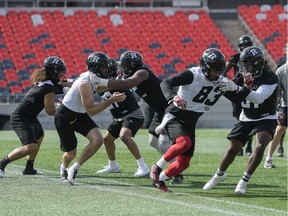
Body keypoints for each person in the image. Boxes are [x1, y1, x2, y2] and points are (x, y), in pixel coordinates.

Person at [149, 48, 252, 192]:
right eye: (214, 70)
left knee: (183, 164)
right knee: (183, 143)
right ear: (205, 67)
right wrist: (174, 97)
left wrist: (247, 87)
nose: (217, 74)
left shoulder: (222, 81)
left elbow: (237, 97)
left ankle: (159, 180)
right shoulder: (192, 75)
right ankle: (157, 167)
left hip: (191, 121)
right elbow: (166, 83)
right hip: (176, 114)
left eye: (219, 71)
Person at [93, 50, 183, 184]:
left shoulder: (142, 72)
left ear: (130, 65)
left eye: (124, 65)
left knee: (163, 145)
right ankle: (175, 164)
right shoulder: (131, 74)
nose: (122, 68)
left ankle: (177, 171)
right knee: (153, 141)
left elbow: (126, 84)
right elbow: (114, 84)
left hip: (169, 110)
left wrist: (99, 80)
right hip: (160, 111)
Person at [203, 46, 278, 194]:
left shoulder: (270, 77)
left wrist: (243, 88)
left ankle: (243, 181)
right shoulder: (239, 76)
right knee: (233, 148)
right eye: (243, 65)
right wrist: (223, 89)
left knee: (260, 145)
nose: (244, 68)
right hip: (246, 117)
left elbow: (258, 97)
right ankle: (219, 175)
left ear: (257, 64)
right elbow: (236, 96)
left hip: (266, 116)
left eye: (247, 64)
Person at [54, 52, 126, 185]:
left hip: (79, 115)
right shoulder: (84, 82)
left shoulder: (91, 77)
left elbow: (97, 88)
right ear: (95, 67)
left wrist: (113, 86)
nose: (106, 70)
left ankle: (74, 168)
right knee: (71, 153)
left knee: (98, 140)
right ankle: (63, 168)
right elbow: (91, 110)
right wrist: (111, 100)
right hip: (65, 116)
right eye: (104, 67)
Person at [0, 56, 67, 177]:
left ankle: (29, 168)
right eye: (60, 71)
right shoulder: (49, 87)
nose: (62, 74)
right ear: (53, 71)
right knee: (30, 146)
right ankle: (1, 165)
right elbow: (50, 111)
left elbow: (60, 85)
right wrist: (62, 106)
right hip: (21, 118)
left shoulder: (45, 82)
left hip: (29, 116)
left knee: (39, 136)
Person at [96, 58, 149, 177]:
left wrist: (94, 82)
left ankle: (143, 167)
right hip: (119, 117)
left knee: (124, 136)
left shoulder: (115, 81)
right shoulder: (105, 82)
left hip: (133, 114)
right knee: (107, 139)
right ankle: (113, 165)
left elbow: (100, 87)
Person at [224, 35, 254, 156]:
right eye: (243, 46)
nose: (245, 48)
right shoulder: (235, 58)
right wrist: (229, 83)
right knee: (239, 119)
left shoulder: (255, 58)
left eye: (247, 45)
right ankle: (239, 145)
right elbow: (222, 71)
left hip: (251, 90)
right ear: (240, 47)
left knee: (250, 117)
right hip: (237, 90)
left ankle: (249, 146)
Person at [264, 62, 287, 168]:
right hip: (286, 105)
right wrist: (276, 108)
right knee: (279, 130)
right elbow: (277, 92)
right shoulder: (281, 70)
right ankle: (268, 158)